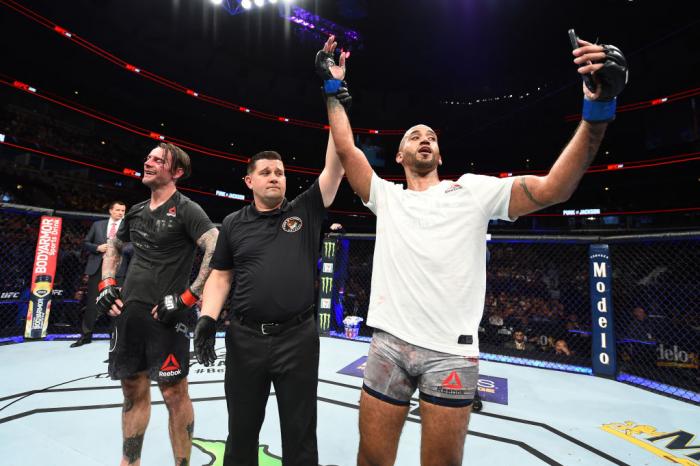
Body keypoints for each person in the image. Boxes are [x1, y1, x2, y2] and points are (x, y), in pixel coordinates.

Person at [316, 34, 627, 465]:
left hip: (451, 352)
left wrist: (597, 111)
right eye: (414, 136)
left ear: (438, 153)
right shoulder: (387, 197)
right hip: (387, 344)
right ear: (401, 155)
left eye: (430, 135)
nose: (424, 138)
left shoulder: (474, 192)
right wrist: (333, 91)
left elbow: (554, 188)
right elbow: (347, 148)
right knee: (370, 459)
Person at [193, 77, 346, 464]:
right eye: (266, 172)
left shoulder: (304, 211)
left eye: (279, 171)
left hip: (298, 336)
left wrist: (334, 99)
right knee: (241, 430)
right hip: (244, 338)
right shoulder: (232, 223)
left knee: (299, 431)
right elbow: (221, 275)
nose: (275, 176)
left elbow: (336, 166)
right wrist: (208, 318)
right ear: (249, 181)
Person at [96, 142, 219, 466]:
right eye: (147, 156)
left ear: (176, 171)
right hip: (130, 313)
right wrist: (107, 283)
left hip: (167, 315)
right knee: (132, 388)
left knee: (173, 393)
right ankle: (130, 461)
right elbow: (114, 248)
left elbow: (215, 247)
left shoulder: (187, 209)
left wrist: (188, 297)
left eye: (157, 159)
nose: (148, 162)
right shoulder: (135, 211)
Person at [70, 200, 130, 348]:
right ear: (110, 210)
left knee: (116, 304)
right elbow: (85, 243)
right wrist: (98, 247)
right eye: (118, 210)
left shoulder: (127, 227)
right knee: (91, 303)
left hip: (118, 270)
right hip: (97, 268)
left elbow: (132, 246)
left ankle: (115, 337)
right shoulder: (98, 225)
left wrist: (118, 248)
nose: (121, 213)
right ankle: (85, 335)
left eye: (123, 211)